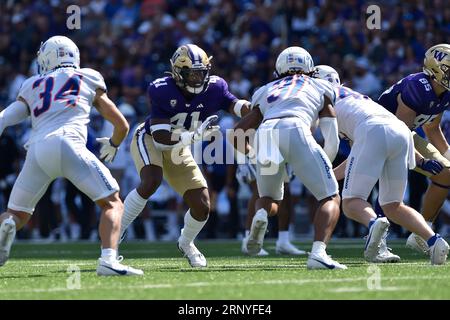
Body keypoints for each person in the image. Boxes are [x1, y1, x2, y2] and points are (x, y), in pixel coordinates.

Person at [0, 36, 142, 276]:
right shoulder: (88, 77)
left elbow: (6, 117)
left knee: (16, 214)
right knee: (112, 202)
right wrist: (114, 143)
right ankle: (108, 259)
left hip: (36, 151)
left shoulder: (32, 83)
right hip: (69, 144)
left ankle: (8, 226)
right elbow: (122, 124)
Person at [119, 44, 251, 267]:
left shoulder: (216, 87)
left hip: (180, 146)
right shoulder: (161, 89)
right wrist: (194, 137)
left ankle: (186, 243)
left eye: (202, 72)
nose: (198, 78)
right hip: (151, 139)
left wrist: (256, 107)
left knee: (202, 205)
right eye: (193, 73)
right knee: (151, 181)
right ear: (178, 73)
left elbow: (236, 105)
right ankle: (117, 229)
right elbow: (161, 138)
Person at [315, 65, 449, 265]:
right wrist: (333, 175)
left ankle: (373, 222)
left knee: (351, 202)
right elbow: (357, 155)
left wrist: (321, 172)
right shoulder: (355, 97)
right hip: (401, 133)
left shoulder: (322, 101)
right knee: (394, 205)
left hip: (373, 131)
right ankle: (434, 241)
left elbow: (344, 146)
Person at [233, 46, 346, 270]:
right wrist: (324, 165)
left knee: (269, 198)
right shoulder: (320, 85)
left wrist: (253, 155)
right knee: (330, 197)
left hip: (266, 132)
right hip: (296, 127)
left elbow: (238, 132)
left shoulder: (265, 89)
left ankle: (262, 214)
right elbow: (331, 138)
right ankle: (318, 254)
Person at [377, 44, 450, 255]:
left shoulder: (443, 92)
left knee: (446, 174)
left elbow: (432, 128)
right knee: (390, 188)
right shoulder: (418, 86)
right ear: (436, 69)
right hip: (377, 135)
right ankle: (377, 241)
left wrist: (447, 155)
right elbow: (400, 133)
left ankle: (421, 233)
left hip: (403, 134)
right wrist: (421, 161)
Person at [236, 162, 306, 256]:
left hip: (280, 152)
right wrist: (242, 158)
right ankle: (248, 238)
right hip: (256, 152)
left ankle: (283, 240)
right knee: (260, 189)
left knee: (285, 188)